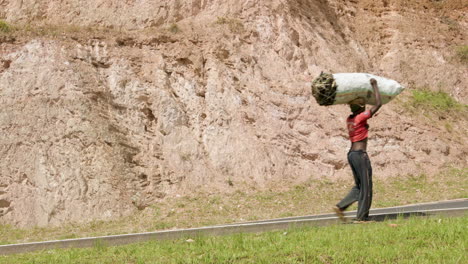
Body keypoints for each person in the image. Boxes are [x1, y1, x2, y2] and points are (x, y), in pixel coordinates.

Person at [333, 78, 382, 222]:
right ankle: (362, 217)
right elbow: (378, 104)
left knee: (359, 186)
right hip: (360, 155)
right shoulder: (361, 117)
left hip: (352, 154)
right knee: (366, 186)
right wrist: (374, 85)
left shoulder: (350, 119)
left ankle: (341, 206)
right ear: (361, 108)